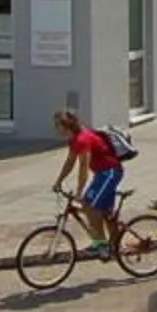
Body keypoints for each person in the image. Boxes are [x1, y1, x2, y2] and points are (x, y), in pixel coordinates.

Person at [51, 108, 127, 254]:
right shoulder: (74, 139)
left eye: (57, 125)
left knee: (89, 206)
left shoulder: (82, 139)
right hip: (102, 174)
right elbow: (70, 162)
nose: (56, 128)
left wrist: (79, 191)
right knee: (104, 211)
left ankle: (101, 244)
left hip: (110, 172)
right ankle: (114, 246)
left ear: (66, 125)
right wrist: (59, 181)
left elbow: (83, 167)